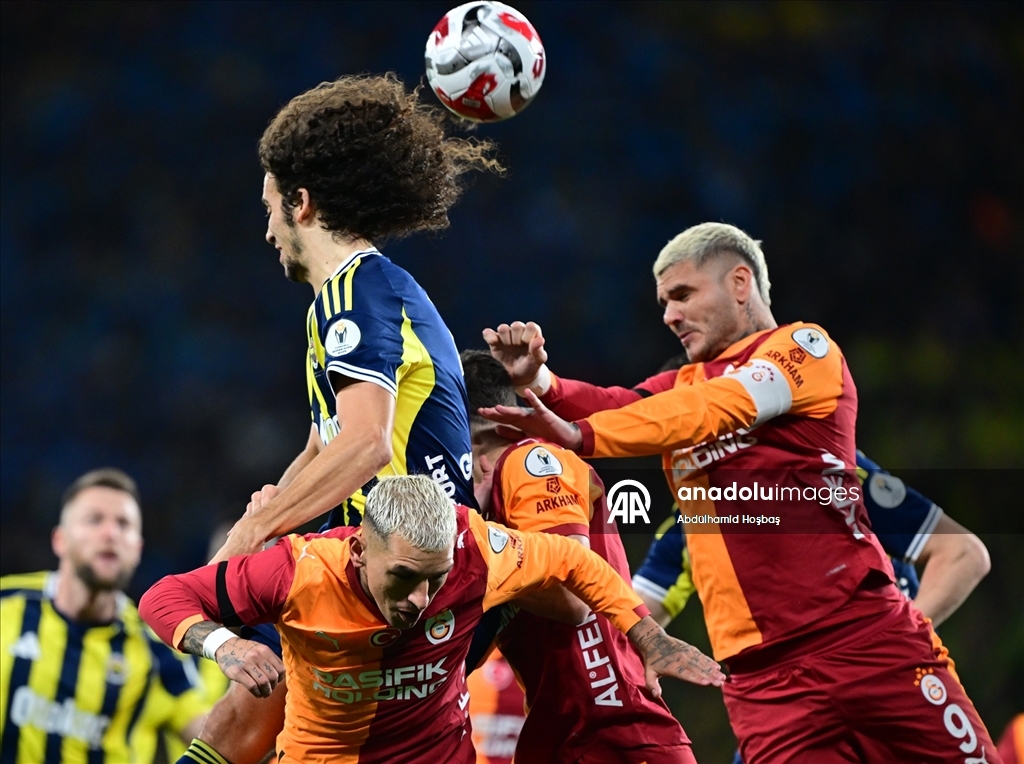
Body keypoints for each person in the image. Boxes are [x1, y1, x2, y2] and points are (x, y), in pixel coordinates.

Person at [479, 222, 1002, 763]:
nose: (669, 316)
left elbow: (714, 409)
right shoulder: (680, 388)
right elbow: (618, 402)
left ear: (739, 281)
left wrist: (580, 435)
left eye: (682, 295)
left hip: (864, 640)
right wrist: (543, 384)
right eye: (663, 303)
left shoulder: (804, 349)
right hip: (762, 683)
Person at [191, 73, 501, 763]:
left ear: (301, 203)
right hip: (401, 566)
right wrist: (273, 510)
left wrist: (253, 532)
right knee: (242, 720)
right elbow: (325, 442)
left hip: (406, 576)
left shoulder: (355, 291)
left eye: (270, 206)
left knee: (257, 727)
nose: (266, 227)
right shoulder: (358, 297)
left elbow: (363, 444)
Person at [139, 475, 726, 763]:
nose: (421, 599)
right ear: (361, 549)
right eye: (403, 577)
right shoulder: (297, 571)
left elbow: (575, 562)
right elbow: (164, 597)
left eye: (435, 577)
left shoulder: (479, 549)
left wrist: (647, 635)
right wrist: (225, 646)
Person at [461, 350, 699, 763]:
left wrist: (475, 543)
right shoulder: (487, 502)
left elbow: (572, 599)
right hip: (559, 735)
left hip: (615, 732)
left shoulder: (531, 462)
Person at [0, 468, 210, 763]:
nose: (110, 533)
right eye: (94, 520)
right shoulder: (6, 607)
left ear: (137, 549)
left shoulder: (157, 653)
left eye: (123, 524)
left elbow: (213, 737)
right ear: (60, 540)